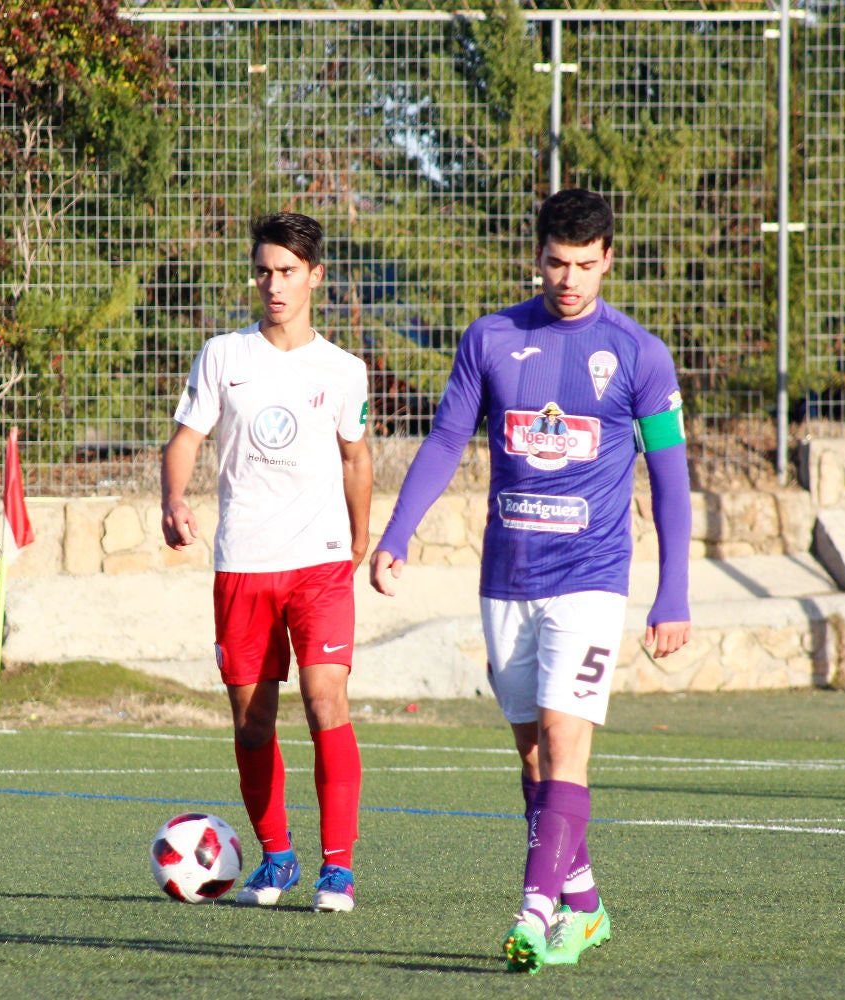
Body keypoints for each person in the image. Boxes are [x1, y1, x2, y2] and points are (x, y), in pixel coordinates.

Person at [369, 189, 691, 972]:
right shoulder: (493, 338)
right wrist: (396, 532)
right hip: (506, 577)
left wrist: (672, 591)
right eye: (556, 262)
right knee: (532, 763)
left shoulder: (640, 355)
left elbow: (671, 478)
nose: (569, 279)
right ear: (536, 255)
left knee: (562, 741)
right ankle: (583, 903)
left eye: (585, 264)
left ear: (609, 257)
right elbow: (448, 438)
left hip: (590, 576)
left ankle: (534, 914)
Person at [161, 212, 372, 913]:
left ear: (315, 276)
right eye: (264, 271)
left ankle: (336, 869)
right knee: (252, 723)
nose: (273, 284)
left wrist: (362, 535)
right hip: (243, 564)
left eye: (287, 272)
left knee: (324, 704)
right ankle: (277, 859)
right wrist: (174, 500)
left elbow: (356, 456)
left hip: (319, 564)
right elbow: (186, 440)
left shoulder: (344, 370)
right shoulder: (225, 355)